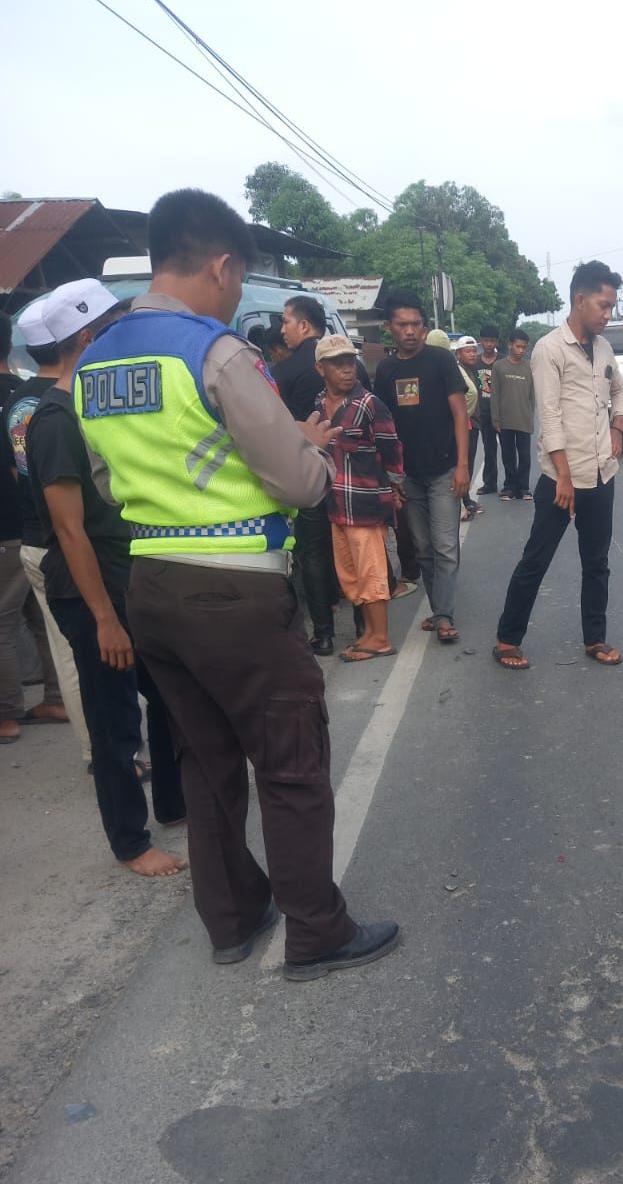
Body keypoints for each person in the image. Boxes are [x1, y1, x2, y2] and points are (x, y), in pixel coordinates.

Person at [74, 188, 399, 978]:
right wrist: (309, 450)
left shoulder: (95, 360)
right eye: (238, 277)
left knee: (204, 759)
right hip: (237, 590)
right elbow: (298, 483)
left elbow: (109, 483)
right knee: (290, 763)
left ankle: (232, 919)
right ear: (221, 265)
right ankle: (316, 931)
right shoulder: (215, 352)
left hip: (152, 586)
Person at [25, 280, 187, 875]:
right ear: (89, 338)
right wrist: (104, 620)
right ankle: (130, 843)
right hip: (91, 592)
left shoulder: (95, 405)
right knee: (114, 720)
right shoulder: (54, 419)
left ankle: (174, 801)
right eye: (116, 329)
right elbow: (70, 530)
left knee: (169, 694)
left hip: (128, 576)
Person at [494, 260, 623, 671]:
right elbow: (549, 417)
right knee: (536, 560)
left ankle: (595, 639)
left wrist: (618, 428)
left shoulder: (604, 348)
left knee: (597, 563)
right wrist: (564, 479)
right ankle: (507, 640)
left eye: (612, 307)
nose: (608, 315)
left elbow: (621, 391)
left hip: (601, 475)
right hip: (561, 479)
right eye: (604, 306)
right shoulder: (549, 349)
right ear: (580, 300)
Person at [2, 300, 86, 753]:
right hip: (52, 534)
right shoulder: (42, 399)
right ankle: (91, 737)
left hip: (35, 533)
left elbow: (21, 472)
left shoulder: (24, 401)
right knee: (62, 636)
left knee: (58, 638)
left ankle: (15, 712)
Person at [373, 292, 470, 646]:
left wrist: (463, 465)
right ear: (389, 327)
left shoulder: (440, 360)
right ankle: (439, 607)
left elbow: (460, 413)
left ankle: (444, 615)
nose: (410, 331)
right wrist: (391, 478)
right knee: (424, 548)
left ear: (425, 327)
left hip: (445, 470)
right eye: (403, 325)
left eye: (416, 324)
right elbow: (383, 427)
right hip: (408, 476)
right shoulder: (386, 370)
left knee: (445, 546)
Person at [315, 334, 404, 662]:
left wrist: (394, 489)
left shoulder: (369, 404)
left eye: (349, 362)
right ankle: (368, 634)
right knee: (351, 575)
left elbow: (392, 450)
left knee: (371, 572)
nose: (346, 369)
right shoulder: (319, 405)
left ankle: (380, 638)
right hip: (336, 505)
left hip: (366, 505)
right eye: (337, 363)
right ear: (321, 368)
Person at [274, 294, 340, 655]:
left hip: (308, 469)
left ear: (304, 324)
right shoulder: (348, 365)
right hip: (348, 470)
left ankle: (324, 633)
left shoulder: (283, 372)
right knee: (349, 541)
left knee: (312, 551)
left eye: (285, 321)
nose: (282, 329)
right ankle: (365, 621)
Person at [490, 329, 535, 500]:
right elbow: (495, 394)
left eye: (524, 347)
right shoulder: (499, 366)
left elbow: (532, 395)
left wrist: (530, 416)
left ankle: (523, 488)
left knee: (525, 456)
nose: (521, 350)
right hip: (505, 420)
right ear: (510, 345)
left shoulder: (529, 367)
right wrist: (496, 418)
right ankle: (509, 487)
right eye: (518, 346)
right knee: (508, 455)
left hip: (524, 419)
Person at [452, 336, 486, 522]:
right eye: (468, 351)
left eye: (474, 351)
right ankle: (462, 501)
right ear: (458, 354)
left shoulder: (471, 371)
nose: (473, 354)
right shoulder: (457, 372)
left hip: (474, 423)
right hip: (465, 424)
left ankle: (466, 499)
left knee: (470, 463)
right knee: (463, 463)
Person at [475, 325, 502, 495]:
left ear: (496, 341)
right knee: (489, 449)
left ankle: (512, 484)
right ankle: (490, 483)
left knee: (508, 449)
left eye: (492, 341)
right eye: (486, 341)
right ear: (481, 341)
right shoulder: (475, 362)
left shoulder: (503, 361)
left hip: (502, 412)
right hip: (484, 413)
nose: (489, 344)